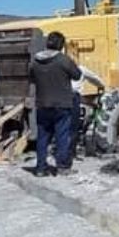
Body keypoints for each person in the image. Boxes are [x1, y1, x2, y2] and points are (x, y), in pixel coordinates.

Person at [29, 32, 83, 177]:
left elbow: (32, 79)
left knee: (43, 137)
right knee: (62, 136)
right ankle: (63, 167)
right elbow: (77, 75)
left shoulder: (35, 61)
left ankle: (40, 168)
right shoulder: (63, 60)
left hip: (42, 104)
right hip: (62, 104)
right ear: (61, 45)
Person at [69, 63, 105, 160]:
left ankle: (64, 152)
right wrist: (102, 85)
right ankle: (71, 154)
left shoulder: (61, 68)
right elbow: (95, 78)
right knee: (73, 128)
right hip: (73, 98)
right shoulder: (81, 69)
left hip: (61, 98)